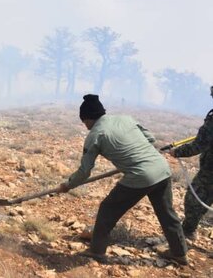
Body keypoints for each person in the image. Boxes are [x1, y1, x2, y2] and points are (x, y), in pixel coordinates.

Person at [59, 94, 188, 264]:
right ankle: (179, 253)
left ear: (88, 118)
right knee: (166, 213)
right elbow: (150, 138)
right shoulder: (125, 119)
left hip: (141, 175)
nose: (85, 127)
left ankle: (97, 251)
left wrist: (68, 185)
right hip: (162, 168)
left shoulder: (95, 135)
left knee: (107, 209)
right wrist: (132, 154)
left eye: (84, 122)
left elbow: (84, 172)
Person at [169, 85, 213, 241]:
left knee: (194, 199)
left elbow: (198, 145)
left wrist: (177, 152)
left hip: (210, 174)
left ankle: (188, 231)